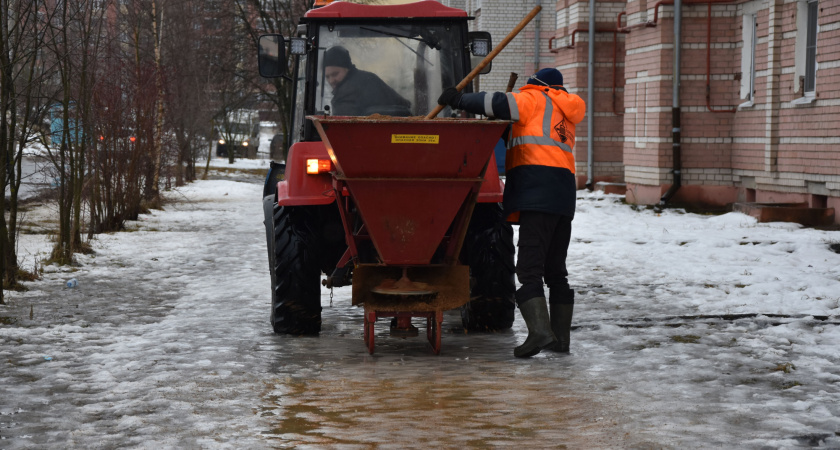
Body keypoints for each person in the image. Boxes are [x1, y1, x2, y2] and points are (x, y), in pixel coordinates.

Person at [437, 68, 586, 358]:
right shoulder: (566, 110)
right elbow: (534, 139)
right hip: (563, 196)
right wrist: (507, 130)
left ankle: (540, 332)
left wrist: (457, 99)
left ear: (537, 84)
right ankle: (560, 340)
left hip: (537, 194)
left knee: (529, 268)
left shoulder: (534, 98)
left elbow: (494, 102)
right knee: (556, 271)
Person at [322, 46, 411, 116]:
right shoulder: (369, 77)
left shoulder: (345, 94)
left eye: (335, 74)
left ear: (347, 68)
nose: (331, 80)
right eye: (327, 77)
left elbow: (343, 127)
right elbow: (404, 104)